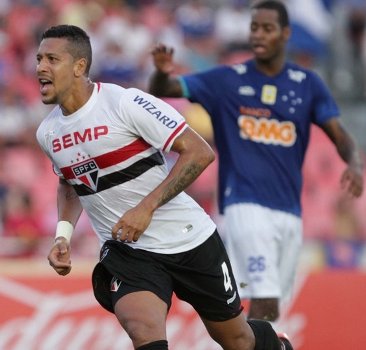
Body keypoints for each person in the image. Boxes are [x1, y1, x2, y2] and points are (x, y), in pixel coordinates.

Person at [37, 24, 292, 350]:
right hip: (127, 252)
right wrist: (63, 235)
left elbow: (200, 152)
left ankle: (276, 344)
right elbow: (71, 183)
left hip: (189, 239)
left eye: (52, 59)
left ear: (79, 66)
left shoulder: (124, 103)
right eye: (39, 59)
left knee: (237, 340)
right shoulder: (48, 133)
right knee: (143, 330)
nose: (41, 68)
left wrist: (146, 208)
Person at [148, 0, 364, 328]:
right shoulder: (227, 79)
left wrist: (355, 164)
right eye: (253, 28)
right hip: (244, 204)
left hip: (289, 211)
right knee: (264, 296)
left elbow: (339, 133)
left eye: (267, 28)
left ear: (285, 33)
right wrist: (162, 74)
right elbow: (167, 88)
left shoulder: (307, 84)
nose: (259, 34)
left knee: (272, 306)